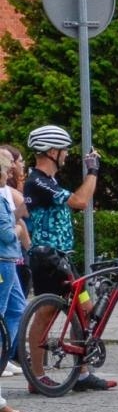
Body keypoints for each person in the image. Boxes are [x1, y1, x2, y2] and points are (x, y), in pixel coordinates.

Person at [22, 124, 115, 391]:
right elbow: (80, 201)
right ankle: (36, 377)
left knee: (84, 311)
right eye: (64, 151)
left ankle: (82, 373)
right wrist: (93, 171)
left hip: (63, 259)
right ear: (52, 151)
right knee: (45, 314)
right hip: (49, 260)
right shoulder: (38, 180)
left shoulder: (47, 181)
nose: (66, 155)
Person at [0, 145, 29, 376]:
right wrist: (18, 230)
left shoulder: (4, 195)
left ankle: (4, 355)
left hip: (9, 258)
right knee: (2, 309)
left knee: (17, 307)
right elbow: (8, 233)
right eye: (6, 170)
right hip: (4, 259)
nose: (10, 173)